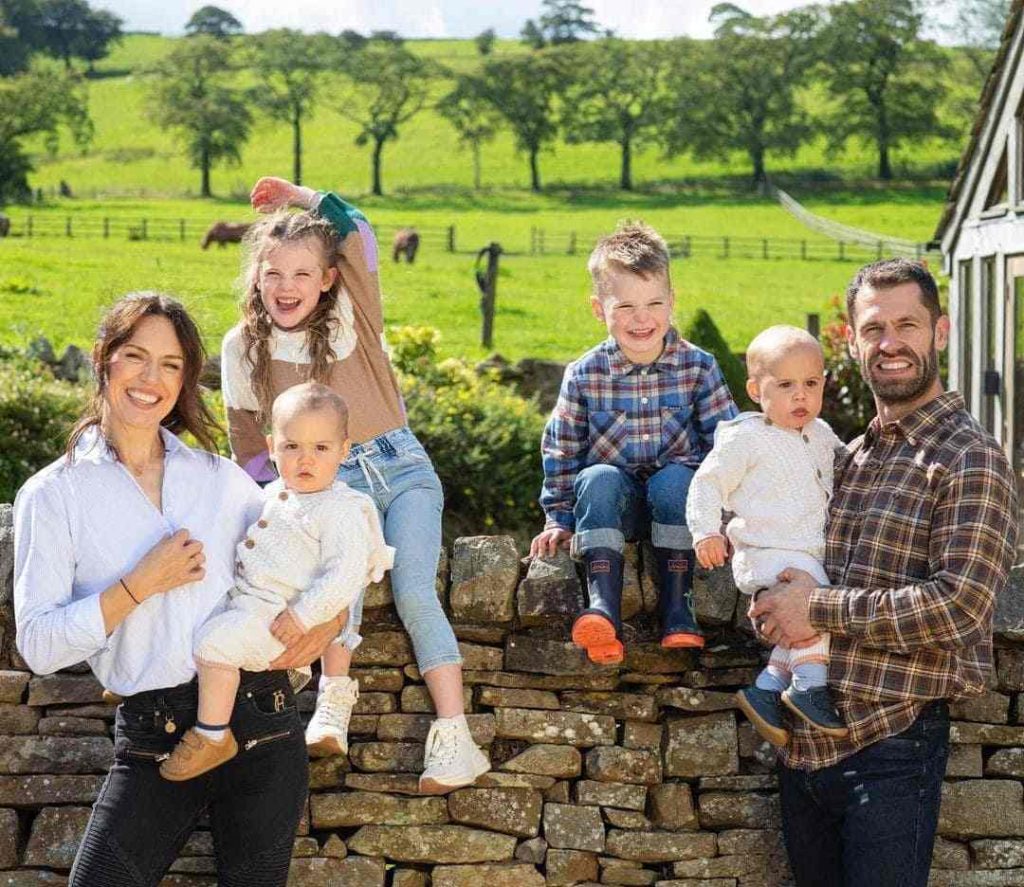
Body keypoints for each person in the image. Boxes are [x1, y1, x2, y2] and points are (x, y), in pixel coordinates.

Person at [14, 293, 343, 886]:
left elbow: (318, 547)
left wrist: (328, 622)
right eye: (135, 356)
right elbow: (38, 645)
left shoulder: (222, 482)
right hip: (153, 735)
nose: (151, 379)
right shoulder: (54, 493)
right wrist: (139, 585)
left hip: (264, 723)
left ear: (187, 377)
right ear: (103, 360)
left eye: (170, 364)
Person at [750, 259, 1018, 887]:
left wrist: (815, 608)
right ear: (853, 338)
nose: (891, 343)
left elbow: (959, 607)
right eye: (874, 328)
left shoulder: (969, 458)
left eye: (908, 324)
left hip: (891, 748)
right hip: (805, 746)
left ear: (940, 331)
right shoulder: (848, 454)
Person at [220, 176, 489, 793]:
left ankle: (455, 738)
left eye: (301, 274)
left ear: (328, 278)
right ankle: (332, 704)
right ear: (256, 277)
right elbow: (248, 446)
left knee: (416, 593)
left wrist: (296, 194)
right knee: (339, 588)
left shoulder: (351, 315)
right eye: (273, 274)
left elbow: (358, 229)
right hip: (326, 482)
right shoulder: (244, 347)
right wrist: (285, 505)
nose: (287, 288)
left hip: (402, 468)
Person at [160, 382, 394, 781]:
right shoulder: (268, 495)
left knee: (213, 644)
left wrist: (303, 617)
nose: (306, 459)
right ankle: (152, 672)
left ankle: (212, 735)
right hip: (245, 603)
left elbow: (346, 573)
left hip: (279, 621)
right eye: (292, 447)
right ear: (272, 446)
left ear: (344, 449)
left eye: (321, 448)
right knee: (183, 617)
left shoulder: (340, 509)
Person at [530, 221, 738, 664]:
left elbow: (728, 447)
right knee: (598, 477)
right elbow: (561, 449)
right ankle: (603, 606)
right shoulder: (584, 374)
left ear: (672, 302)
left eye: (654, 303)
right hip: (612, 511)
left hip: (679, 509)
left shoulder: (699, 367)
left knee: (678, 479)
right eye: (624, 306)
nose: (641, 318)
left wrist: (730, 517)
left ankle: (677, 609)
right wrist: (557, 519)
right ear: (597, 308)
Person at [687, 326, 847, 746]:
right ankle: (811, 685)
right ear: (756, 390)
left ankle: (768, 687)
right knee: (818, 604)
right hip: (768, 550)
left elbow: (850, 463)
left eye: (811, 384)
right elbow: (707, 482)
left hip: (803, 550)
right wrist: (705, 530)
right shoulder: (747, 437)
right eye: (786, 385)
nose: (801, 396)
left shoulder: (821, 433)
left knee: (799, 616)